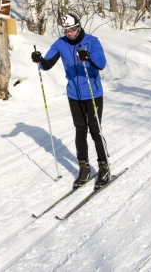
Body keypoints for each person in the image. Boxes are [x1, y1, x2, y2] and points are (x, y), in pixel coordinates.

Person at [31, 13, 110, 190]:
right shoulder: (61, 43)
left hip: (93, 93)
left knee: (95, 130)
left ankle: (104, 165)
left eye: (73, 29)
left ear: (79, 27)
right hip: (74, 94)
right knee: (80, 130)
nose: (70, 33)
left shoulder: (92, 41)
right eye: (66, 30)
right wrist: (39, 59)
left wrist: (88, 57)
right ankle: (84, 167)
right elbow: (47, 64)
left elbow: (101, 63)